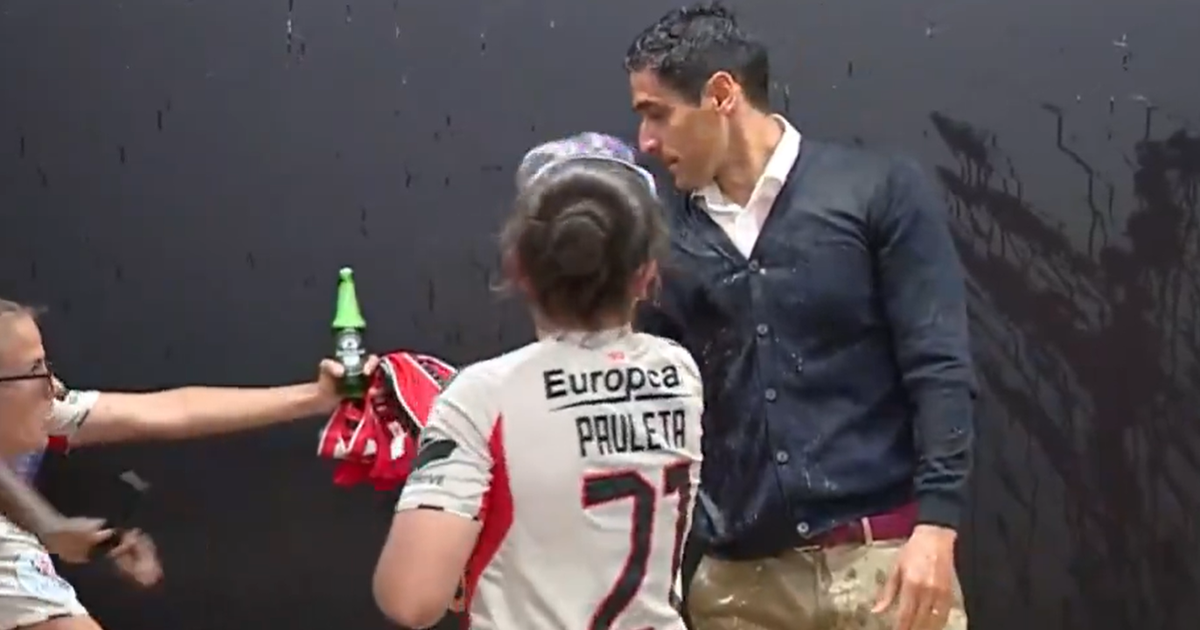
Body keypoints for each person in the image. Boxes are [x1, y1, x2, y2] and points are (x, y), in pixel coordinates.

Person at [624, 4, 976, 630]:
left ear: (721, 95)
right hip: (739, 587)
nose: (645, 141)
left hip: (886, 564)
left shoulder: (875, 190)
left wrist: (937, 525)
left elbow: (939, 364)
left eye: (658, 113)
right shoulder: (660, 241)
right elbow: (648, 409)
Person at [372, 135, 705, 630]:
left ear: (518, 268)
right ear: (646, 274)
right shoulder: (680, 371)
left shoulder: (483, 395)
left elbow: (410, 599)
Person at [0, 297, 373, 630]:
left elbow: (172, 410)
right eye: (35, 370)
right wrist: (48, 527)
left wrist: (316, 397)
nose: (54, 386)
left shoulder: (44, 407)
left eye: (47, 365)